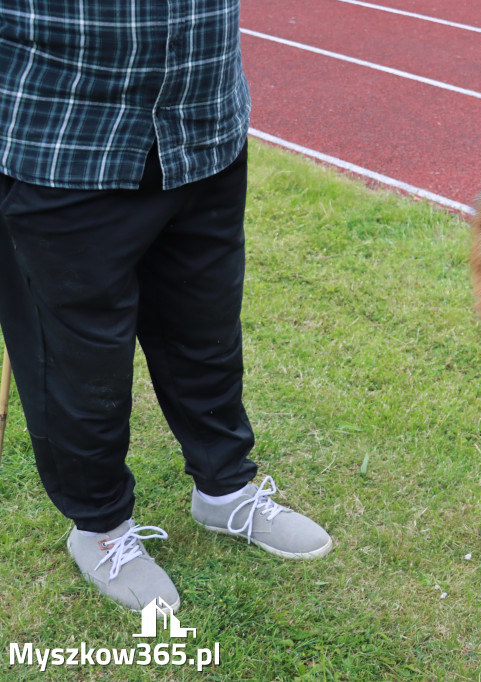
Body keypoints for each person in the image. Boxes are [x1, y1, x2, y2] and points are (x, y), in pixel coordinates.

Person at [0, 1, 332, 612]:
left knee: (204, 330)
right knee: (79, 364)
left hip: (204, 120)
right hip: (65, 133)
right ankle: (100, 530)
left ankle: (224, 490)